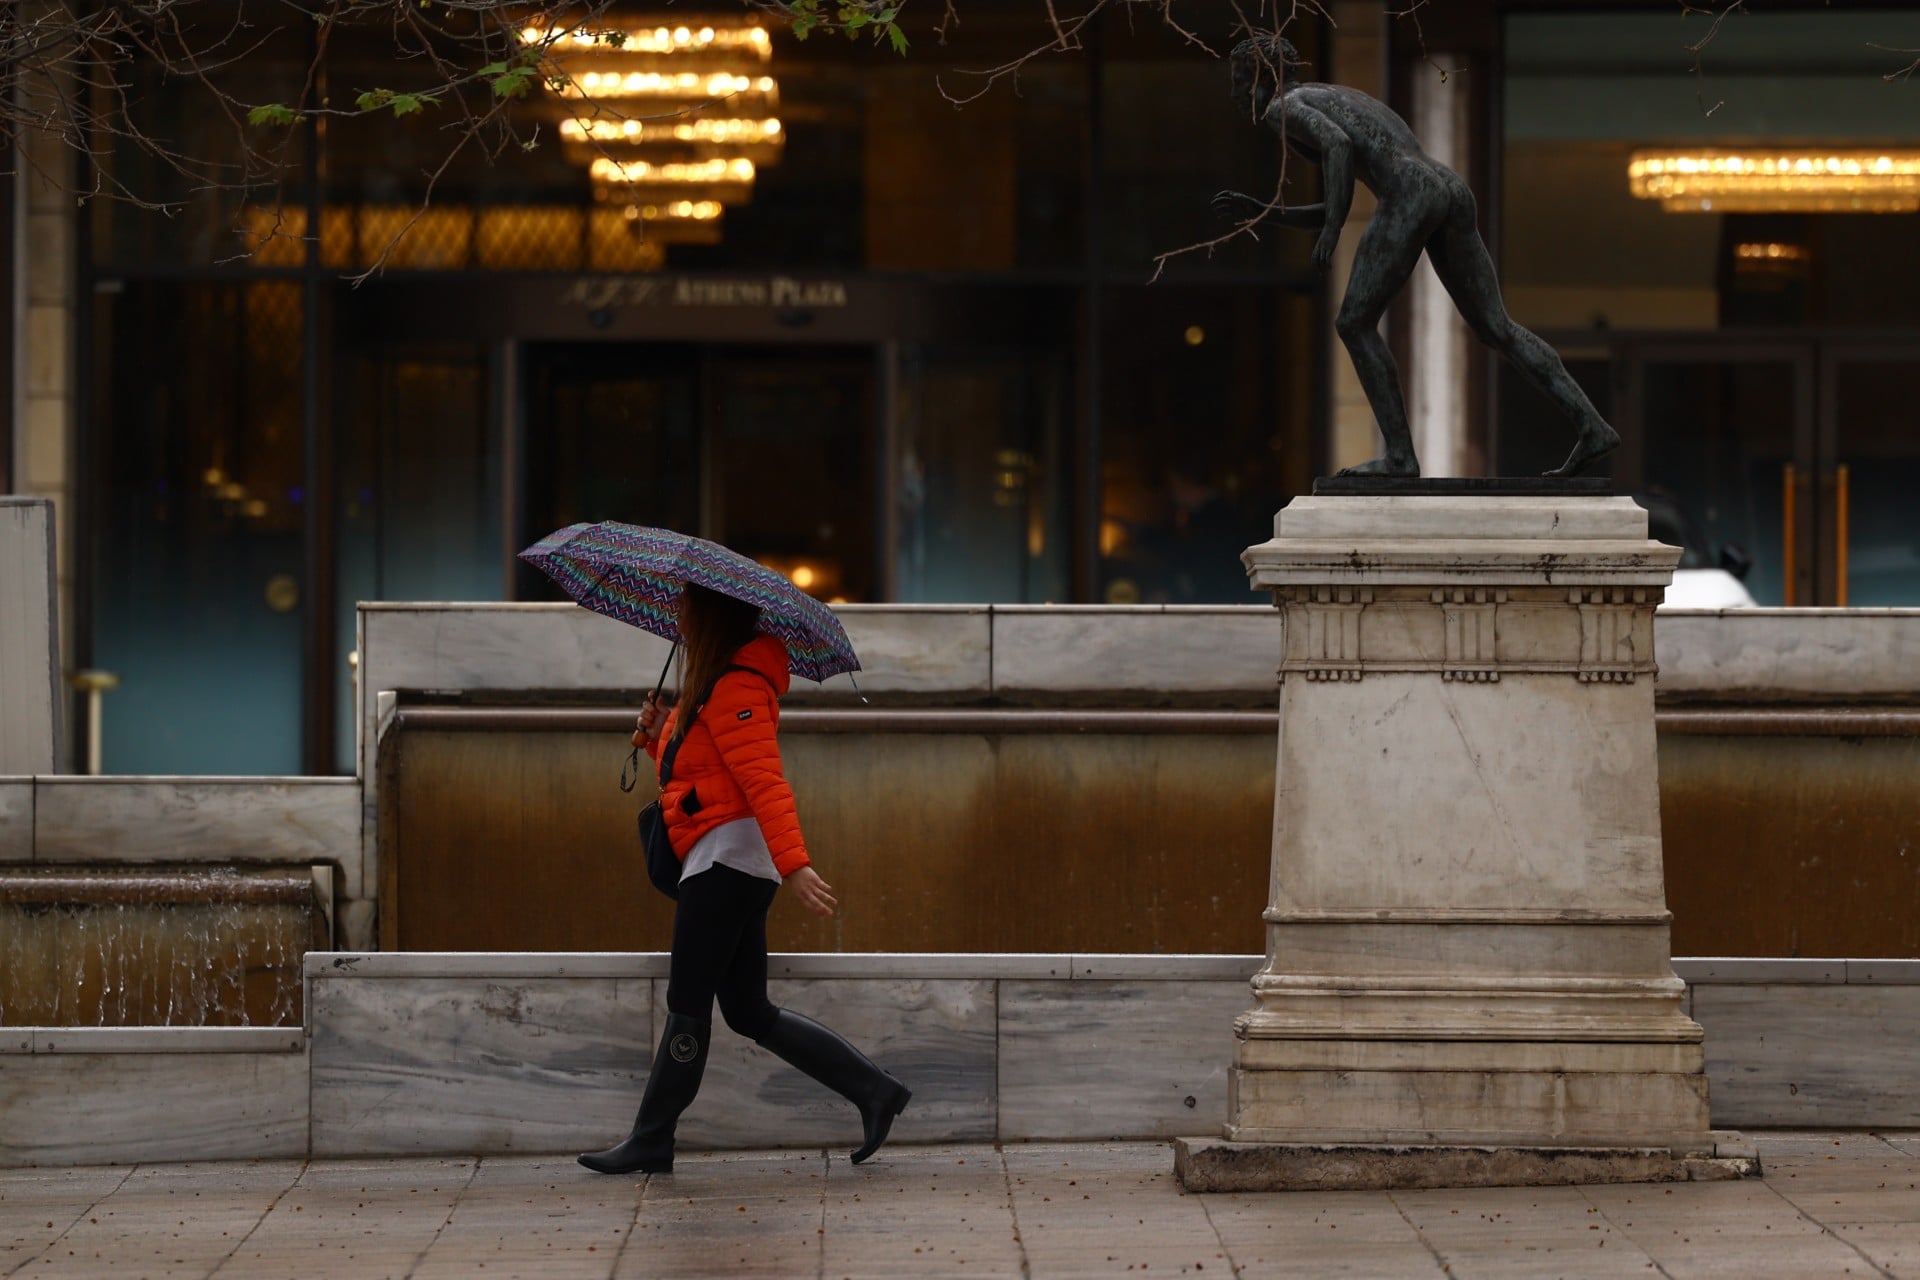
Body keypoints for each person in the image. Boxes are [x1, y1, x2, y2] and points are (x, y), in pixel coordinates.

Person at [578, 583, 911, 1176]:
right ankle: (876, 1092)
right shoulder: (710, 686)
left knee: (688, 1002)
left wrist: (796, 863)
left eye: (686, 607)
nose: (677, 615)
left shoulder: (737, 688)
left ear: (711, 617)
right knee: (748, 1011)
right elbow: (702, 773)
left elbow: (764, 783)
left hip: (728, 861)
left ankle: (653, 1137)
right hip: (726, 858)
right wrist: (658, 735)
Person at [1213, 34, 1619, 480]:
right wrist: (1264, 213)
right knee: (1496, 327)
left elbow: (1338, 148)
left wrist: (1333, 230)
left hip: (1409, 193)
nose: (1236, 94)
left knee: (1353, 323)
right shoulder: (1332, 93)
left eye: (1238, 80)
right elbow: (1340, 183)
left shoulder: (1283, 108)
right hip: (1446, 186)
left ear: (1261, 76)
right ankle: (1592, 426)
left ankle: (1401, 458)